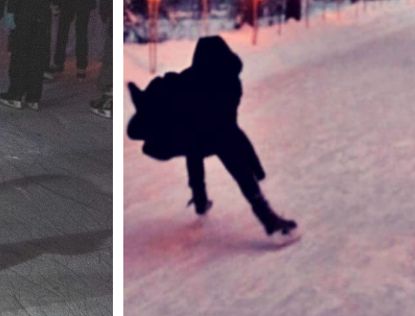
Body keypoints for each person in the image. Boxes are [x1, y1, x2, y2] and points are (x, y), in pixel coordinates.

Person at [126, 36, 297, 238]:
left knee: (197, 148)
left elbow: (167, 90)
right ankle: (264, 216)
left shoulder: (195, 79)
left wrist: (146, 100)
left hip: (213, 133)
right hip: (217, 133)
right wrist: (147, 100)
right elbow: (167, 90)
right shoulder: (230, 81)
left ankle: (204, 201)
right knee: (232, 165)